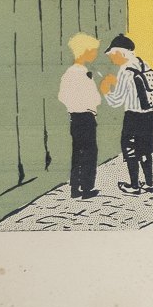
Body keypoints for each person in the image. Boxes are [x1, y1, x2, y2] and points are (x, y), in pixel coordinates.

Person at [100, 34, 153, 194]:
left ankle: (134, 186)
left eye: (113, 55)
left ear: (121, 52)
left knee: (130, 149)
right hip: (149, 115)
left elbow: (116, 101)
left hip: (133, 117)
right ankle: (149, 184)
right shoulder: (143, 64)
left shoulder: (125, 71)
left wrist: (105, 89)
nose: (112, 59)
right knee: (146, 150)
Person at [57, 32, 102, 199]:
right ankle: (87, 188)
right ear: (85, 51)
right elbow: (94, 98)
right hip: (86, 117)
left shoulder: (70, 72)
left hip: (75, 118)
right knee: (89, 153)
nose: (95, 54)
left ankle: (75, 188)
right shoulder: (81, 73)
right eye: (93, 50)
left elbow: (62, 96)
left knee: (78, 153)